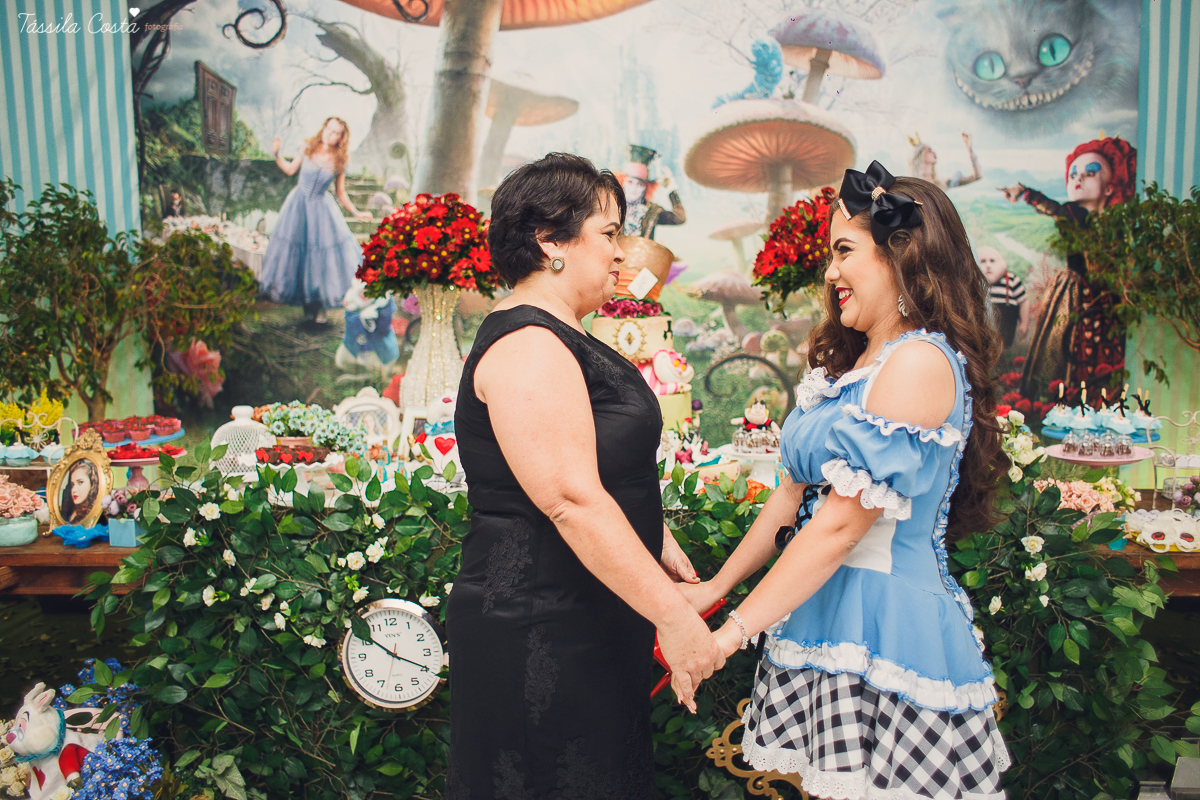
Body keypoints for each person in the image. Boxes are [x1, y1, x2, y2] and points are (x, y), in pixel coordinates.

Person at [681, 162, 1011, 798]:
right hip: (825, 620)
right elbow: (791, 497)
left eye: (843, 251)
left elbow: (838, 527)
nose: (829, 273)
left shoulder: (918, 361)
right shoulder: (854, 365)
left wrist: (729, 636)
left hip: (888, 633)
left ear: (901, 256)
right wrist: (715, 589)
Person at [445, 153, 724, 798]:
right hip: (540, 629)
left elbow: (594, 466)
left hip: (583, 616)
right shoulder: (529, 343)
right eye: (608, 232)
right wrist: (674, 619)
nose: (621, 253)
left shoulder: (566, 332)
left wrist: (653, 537)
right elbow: (570, 499)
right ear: (550, 242)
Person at [1000, 136, 1136, 401]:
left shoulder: (1119, 225)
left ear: (1109, 188)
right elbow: (1053, 208)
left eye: (1089, 173)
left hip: (1108, 305)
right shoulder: (1073, 214)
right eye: (1073, 173)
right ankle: (1058, 400)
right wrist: (1026, 193)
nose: (1078, 178)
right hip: (1076, 299)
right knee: (1066, 349)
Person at [259, 117, 372, 328]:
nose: (331, 134)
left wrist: (356, 212)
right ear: (324, 128)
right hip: (298, 206)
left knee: (320, 258)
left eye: (336, 132)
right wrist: (277, 154)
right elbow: (290, 170)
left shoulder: (340, 161)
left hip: (322, 209)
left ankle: (319, 307)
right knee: (299, 255)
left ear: (341, 137)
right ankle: (307, 308)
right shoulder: (307, 149)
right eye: (329, 129)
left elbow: (340, 192)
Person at [620, 144, 686, 240]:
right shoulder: (611, 206)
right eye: (630, 182)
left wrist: (671, 189)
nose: (634, 188)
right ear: (622, 182)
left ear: (647, 188)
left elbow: (679, 218)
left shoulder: (653, 210)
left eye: (640, 184)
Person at [978, 245, 1029, 348]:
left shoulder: (1012, 280)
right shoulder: (975, 281)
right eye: (983, 261)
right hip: (981, 335)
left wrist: (1024, 323)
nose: (988, 265)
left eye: (992, 261)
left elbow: (1023, 302)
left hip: (1006, 333)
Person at [909, 132, 982, 189]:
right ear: (919, 155)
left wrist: (969, 149)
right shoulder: (913, 185)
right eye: (929, 150)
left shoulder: (942, 182)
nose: (934, 152)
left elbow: (977, 176)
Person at [60, 459, 99, 525]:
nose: (74, 489)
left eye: (80, 482)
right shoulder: (70, 511)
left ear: (92, 483)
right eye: (72, 485)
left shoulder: (97, 515)